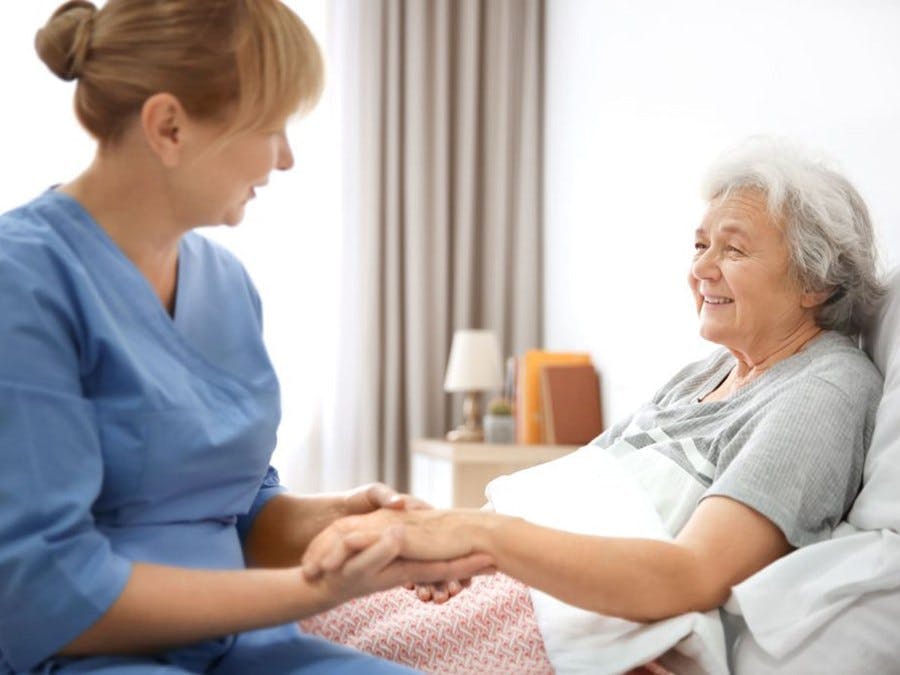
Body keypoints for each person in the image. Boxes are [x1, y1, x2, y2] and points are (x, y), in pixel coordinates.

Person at [0, 1, 490, 673]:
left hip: (237, 647)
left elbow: (236, 509)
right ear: (169, 127)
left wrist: (349, 526)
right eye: (272, 127)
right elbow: (44, 592)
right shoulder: (23, 279)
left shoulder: (226, 284)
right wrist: (320, 589)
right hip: (88, 654)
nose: (285, 159)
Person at [301, 138, 885, 636]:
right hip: (524, 587)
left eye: (732, 249)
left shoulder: (823, 390)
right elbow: (580, 486)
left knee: (299, 628)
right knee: (305, 605)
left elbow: (693, 575)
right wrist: (451, 547)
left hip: (562, 622)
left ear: (815, 281)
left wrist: (477, 533)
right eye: (699, 244)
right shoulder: (704, 374)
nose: (701, 269)